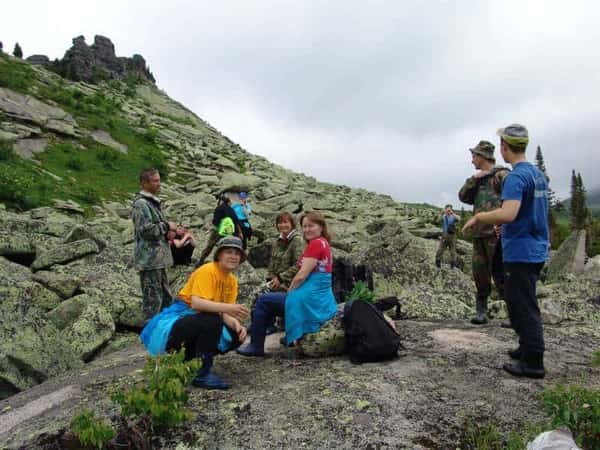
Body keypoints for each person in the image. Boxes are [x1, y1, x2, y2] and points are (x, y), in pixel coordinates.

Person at [463, 124, 549, 379]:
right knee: (521, 300)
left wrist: (481, 217)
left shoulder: (515, 177)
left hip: (521, 250)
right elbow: (527, 211)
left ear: (503, 147)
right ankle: (525, 348)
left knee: (523, 306)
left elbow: (509, 212)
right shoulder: (536, 174)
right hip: (535, 247)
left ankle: (533, 361)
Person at [140, 236, 250, 389]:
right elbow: (197, 304)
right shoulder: (208, 270)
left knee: (235, 334)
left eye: (237, 253)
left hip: (197, 320)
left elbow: (224, 312)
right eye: (229, 252)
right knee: (212, 320)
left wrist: (238, 326)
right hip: (179, 319)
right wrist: (228, 309)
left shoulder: (231, 280)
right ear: (219, 255)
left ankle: (190, 359)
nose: (233, 256)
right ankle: (201, 373)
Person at [236, 211, 337, 357]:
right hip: (319, 297)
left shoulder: (315, 244)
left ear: (321, 227)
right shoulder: (323, 242)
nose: (307, 229)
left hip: (309, 298)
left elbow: (301, 275)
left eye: (311, 226)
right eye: (305, 226)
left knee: (263, 301)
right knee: (272, 298)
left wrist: (290, 291)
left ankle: (255, 346)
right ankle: (289, 332)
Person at [458, 140, 509, 324]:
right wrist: (475, 179)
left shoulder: (502, 175)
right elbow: (463, 196)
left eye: (474, 156)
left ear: (482, 156)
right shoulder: (477, 181)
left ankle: (514, 314)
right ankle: (481, 311)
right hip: (479, 234)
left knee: (502, 275)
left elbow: (514, 198)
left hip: (497, 235)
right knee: (479, 274)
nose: (472, 160)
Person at [131, 168, 176, 320]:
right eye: (155, 181)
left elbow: (156, 228)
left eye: (159, 180)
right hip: (149, 261)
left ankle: (164, 334)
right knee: (152, 302)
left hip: (158, 260)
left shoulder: (152, 203)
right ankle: (150, 338)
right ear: (144, 183)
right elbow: (145, 230)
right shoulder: (141, 204)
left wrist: (168, 232)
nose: (159, 183)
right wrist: (167, 226)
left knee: (165, 298)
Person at [197, 194, 242, 265]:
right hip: (230, 233)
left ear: (221, 201)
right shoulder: (231, 210)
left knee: (210, 246)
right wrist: (240, 233)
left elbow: (215, 221)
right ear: (228, 202)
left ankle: (200, 261)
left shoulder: (219, 208)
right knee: (228, 248)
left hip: (218, 231)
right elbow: (236, 222)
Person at [435, 204, 461, 268]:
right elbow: (437, 221)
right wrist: (441, 213)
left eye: (449, 209)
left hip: (452, 236)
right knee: (440, 249)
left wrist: (452, 213)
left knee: (452, 251)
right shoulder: (444, 216)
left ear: (451, 210)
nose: (448, 211)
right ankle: (438, 261)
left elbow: (459, 219)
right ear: (445, 209)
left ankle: (452, 264)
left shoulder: (453, 216)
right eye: (447, 209)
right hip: (444, 235)